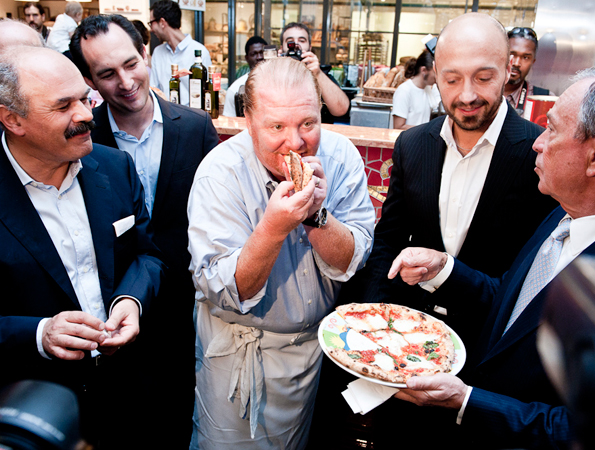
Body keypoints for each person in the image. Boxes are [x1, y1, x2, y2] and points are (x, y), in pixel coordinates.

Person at [390, 67, 595, 449]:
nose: (537, 143)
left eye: (552, 130)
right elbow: (514, 304)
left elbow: (586, 431)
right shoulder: (562, 215)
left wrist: (467, 401)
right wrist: (444, 268)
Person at [187, 56, 375, 449]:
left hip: (313, 355)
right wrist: (273, 229)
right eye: (276, 126)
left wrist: (317, 217)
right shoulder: (218, 174)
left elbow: (353, 260)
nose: (295, 142)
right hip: (240, 357)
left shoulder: (342, 157)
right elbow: (223, 290)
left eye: (308, 123)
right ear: (248, 121)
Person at [340, 13, 557, 347]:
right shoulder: (412, 145)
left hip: (484, 344)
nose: (467, 96)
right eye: (452, 80)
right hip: (403, 335)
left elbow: (531, 279)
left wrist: (447, 272)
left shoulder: (538, 153)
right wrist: (374, 320)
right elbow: (388, 241)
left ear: (506, 70)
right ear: (436, 75)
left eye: (483, 78)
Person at [0, 45, 166, 449]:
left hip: (128, 392)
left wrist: (131, 299)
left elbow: (147, 254)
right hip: (33, 405)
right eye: (63, 107)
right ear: (12, 119)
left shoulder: (113, 166)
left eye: (84, 97)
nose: (86, 114)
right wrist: (39, 334)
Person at [70, 14, 219, 448]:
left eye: (131, 63)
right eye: (106, 74)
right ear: (89, 81)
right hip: (114, 307)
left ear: (147, 54)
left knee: (181, 412)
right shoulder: (82, 137)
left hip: (187, 302)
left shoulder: (194, 127)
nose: (125, 81)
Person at [280, 22, 350, 124]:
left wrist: (317, 74)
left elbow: (341, 110)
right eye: (290, 41)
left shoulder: (321, 75)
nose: (295, 45)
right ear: (282, 48)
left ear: (310, 47)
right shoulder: (272, 74)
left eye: (301, 40)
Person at [149, 0, 212, 107]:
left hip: (192, 118)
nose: (150, 29)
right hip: (165, 117)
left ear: (162, 22)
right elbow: (154, 89)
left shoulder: (199, 52)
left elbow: (208, 92)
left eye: (151, 23)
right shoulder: (158, 52)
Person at [504, 27, 554, 116]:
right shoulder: (482, 90)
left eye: (525, 57)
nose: (516, 63)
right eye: (512, 54)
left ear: (533, 62)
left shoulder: (543, 100)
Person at [392, 49, 438, 129]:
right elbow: (398, 127)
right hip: (408, 141)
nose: (437, 77)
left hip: (421, 139)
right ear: (424, 70)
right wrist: (427, 130)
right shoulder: (404, 90)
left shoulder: (427, 90)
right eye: (435, 72)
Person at [223, 35, 267, 117]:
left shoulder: (280, 84)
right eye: (254, 54)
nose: (259, 57)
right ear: (247, 58)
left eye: (262, 53)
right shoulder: (235, 89)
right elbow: (230, 121)